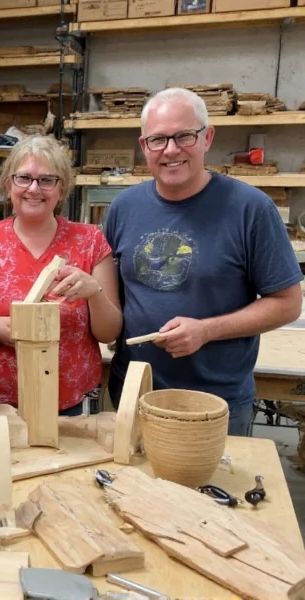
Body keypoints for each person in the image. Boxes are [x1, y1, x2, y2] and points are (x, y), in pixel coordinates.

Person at [103, 87, 303, 436]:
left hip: (215, 401)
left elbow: (288, 304)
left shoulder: (250, 209)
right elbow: (114, 295)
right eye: (158, 140)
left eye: (184, 136)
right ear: (144, 147)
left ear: (207, 138)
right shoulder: (123, 207)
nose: (171, 150)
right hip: (134, 391)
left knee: (208, 490)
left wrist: (206, 330)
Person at [0, 134, 123, 414]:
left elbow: (109, 333)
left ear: (62, 189)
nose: (34, 189)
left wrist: (94, 292)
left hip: (72, 403)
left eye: (47, 180)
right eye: (24, 178)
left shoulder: (90, 241)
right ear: (8, 185)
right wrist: (4, 327)